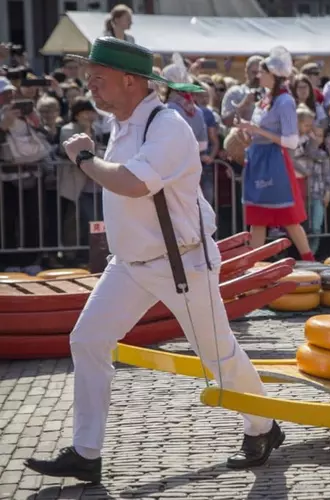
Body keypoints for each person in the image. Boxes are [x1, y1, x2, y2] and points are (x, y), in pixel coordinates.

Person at [23, 37, 284, 484]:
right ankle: (86, 452)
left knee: (217, 356)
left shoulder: (167, 126)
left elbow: (131, 183)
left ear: (131, 81)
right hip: (129, 264)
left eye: (99, 78)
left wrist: (84, 157)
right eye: (89, 77)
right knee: (87, 339)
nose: (91, 86)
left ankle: (263, 426)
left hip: (181, 262)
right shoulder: (124, 123)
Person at [235, 46, 314, 261]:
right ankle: (251, 269)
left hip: (275, 163)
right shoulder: (266, 99)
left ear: (273, 75)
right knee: (258, 219)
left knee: (289, 218)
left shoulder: (285, 101)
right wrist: (247, 131)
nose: (259, 76)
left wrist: (257, 130)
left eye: (263, 72)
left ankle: (310, 262)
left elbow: (291, 141)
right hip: (259, 159)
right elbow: (262, 132)